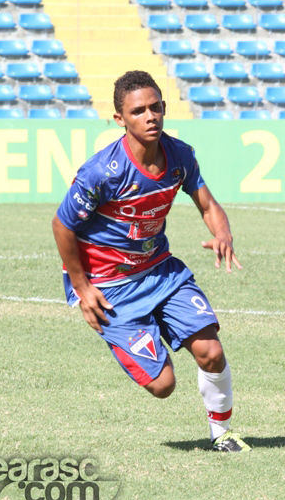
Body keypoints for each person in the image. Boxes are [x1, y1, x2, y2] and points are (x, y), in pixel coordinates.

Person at [52, 71, 250, 453]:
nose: (150, 116)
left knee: (212, 352)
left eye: (155, 107)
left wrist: (222, 232)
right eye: (138, 110)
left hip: (160, 270)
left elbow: (207, 204)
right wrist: (81, 287)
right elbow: (62, 225)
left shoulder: (180, 156)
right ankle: (125, 332)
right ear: (120, 119)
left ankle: (221, 434)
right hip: (109, 285)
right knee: (163, 386)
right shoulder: (102, 173)